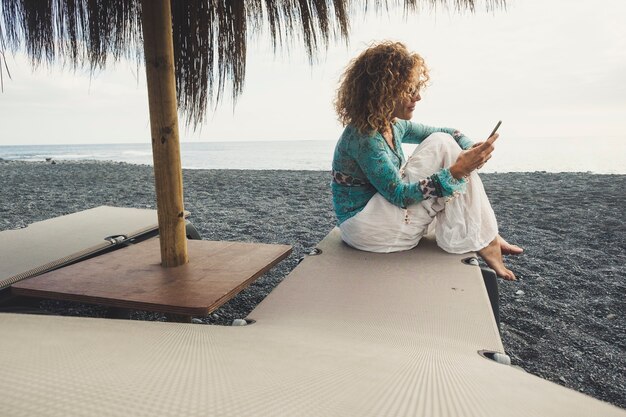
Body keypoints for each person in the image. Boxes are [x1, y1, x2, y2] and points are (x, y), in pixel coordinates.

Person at [331, 41, 522, 280]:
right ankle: (486, 237)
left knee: (443, 141)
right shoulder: (364, 137)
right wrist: (456, 171)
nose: (418, 96)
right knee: (442, 146)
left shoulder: (391, 125)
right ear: (384, 92)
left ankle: (486, 235)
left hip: (378, 220)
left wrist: (468, 148)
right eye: (409, 89)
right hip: (369, 230)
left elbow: (448, 131)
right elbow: (400, 196)